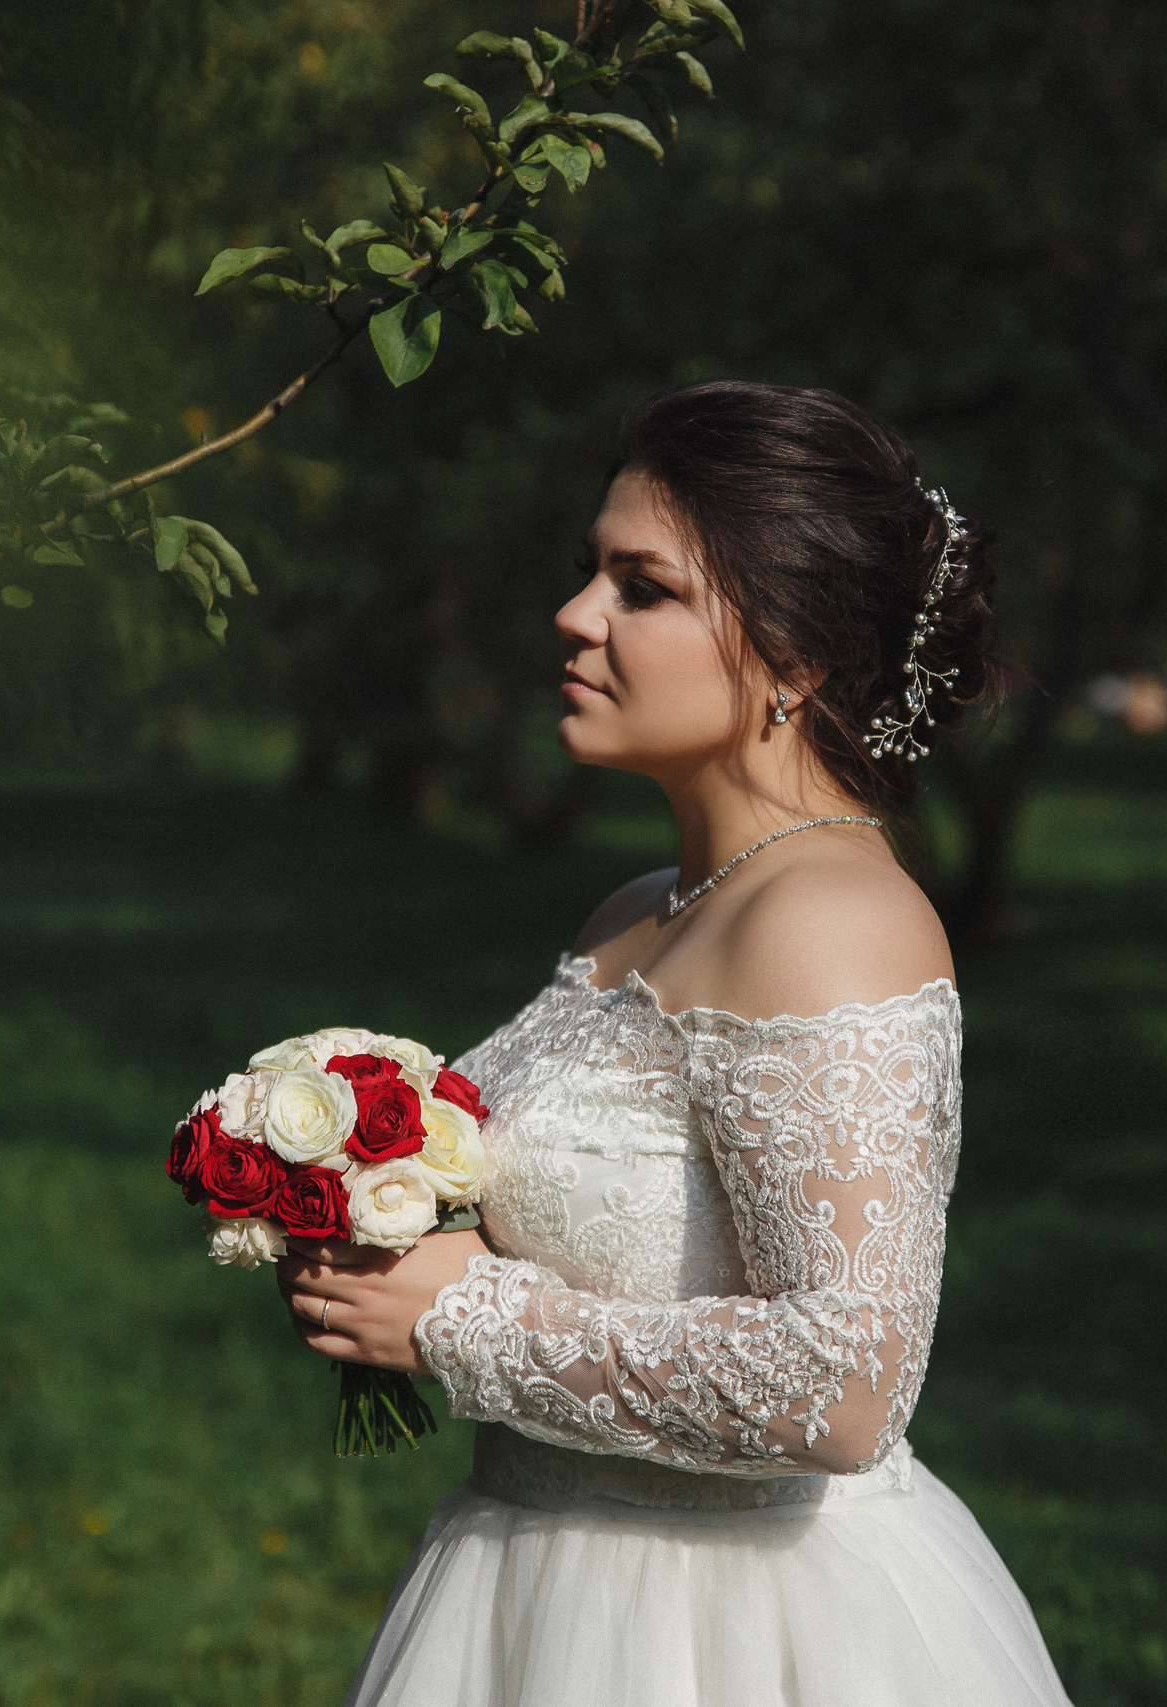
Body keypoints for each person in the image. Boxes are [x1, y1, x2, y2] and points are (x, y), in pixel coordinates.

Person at [276, 380, 1075, 1706]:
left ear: (797, 655)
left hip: (731, 1631)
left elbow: (842, 1388)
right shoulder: (637, 910)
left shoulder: (829, 919)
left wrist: (464, 1319)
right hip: (527, 1590)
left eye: (641, 588)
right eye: (591, 571)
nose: (574, 614)